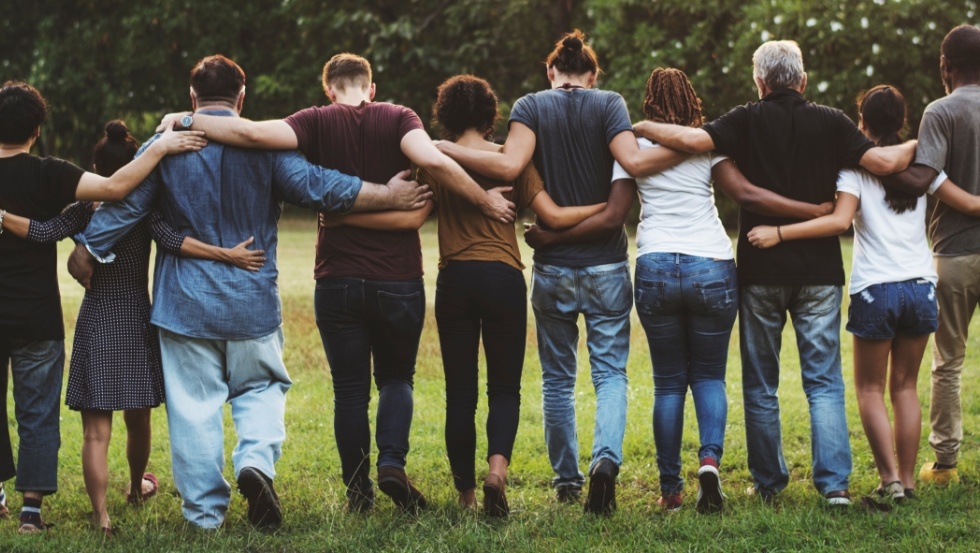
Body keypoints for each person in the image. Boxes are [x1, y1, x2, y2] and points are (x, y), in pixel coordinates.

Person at [68, 54, 429, 530]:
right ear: (242, 98)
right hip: (252, 298)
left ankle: (204, 513)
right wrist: (388, 193)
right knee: (261, 388)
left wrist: (89, 248)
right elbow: (319, 186)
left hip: (185, 304)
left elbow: (126, 202)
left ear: (192, 98)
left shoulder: (167, 144)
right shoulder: (268, 146)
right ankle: (255, 464)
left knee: (194, 408)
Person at [161, 53, 514, 514]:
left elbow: (247, 132)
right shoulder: (399, 117)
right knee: (396, 379)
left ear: (329, 89)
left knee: (349, 390)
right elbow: (436, 163)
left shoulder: (313, 121)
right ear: (372, 87)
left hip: (337, 278)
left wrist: (186, 118)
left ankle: (357, 493)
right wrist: (485, 200)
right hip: (398, 278)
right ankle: (392, 463)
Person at [633, 40, 915, 506]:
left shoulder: (744, 118)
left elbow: (692, 141)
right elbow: (884, 163)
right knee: (823, 380)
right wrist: (933, 137)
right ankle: (835, 487)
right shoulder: (833, 121)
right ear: (802, 80)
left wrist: (639, 124)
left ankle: (769, 484)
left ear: (759, 82)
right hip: (821, 272)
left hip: (761, 268)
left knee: (762, 381)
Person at [436, 30, 690, 515]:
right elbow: (632, 164)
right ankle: (606, 460)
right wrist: (695, 144)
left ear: (551, 72)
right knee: (611, 373)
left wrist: (440, 149)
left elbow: (509, 163)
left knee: (556, 379)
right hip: (607, 264)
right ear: (592, 74)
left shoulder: (530, 106)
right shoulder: (611, 103)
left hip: (551, 268)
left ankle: (567, 481)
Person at [1, 119, 264, 534]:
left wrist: (2, 216)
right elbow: (177, 241)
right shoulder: (145, 212)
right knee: (138, 418)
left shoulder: (83, 210)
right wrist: (225, 254)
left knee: (95, 432)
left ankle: (100, 516)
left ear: (95, 165)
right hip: (137, 320)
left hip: (96, 320)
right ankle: (136, 488)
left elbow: (43, 232)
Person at [624, 67, 840, 514]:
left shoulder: (633, 148)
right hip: (711, 265)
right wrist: (811, 210)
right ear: (691, 100)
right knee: (708, 376)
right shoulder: (710, 145)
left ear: (649, 102)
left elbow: (616, 201)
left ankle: (670, 490)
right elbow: (748, 195)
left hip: (656, 263)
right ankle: (709, 463)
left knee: (668, 384)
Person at [744, 85, 973, 502]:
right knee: (905, 387)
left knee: (870, 389)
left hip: (876, 292)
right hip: (921, 288)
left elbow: (837, 222)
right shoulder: (926, 169)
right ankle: (906, 479)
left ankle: (887, 481)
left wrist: (779, 233)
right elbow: (971, 205)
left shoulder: (854, 171)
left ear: (861, 122)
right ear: (903, 121)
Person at [416, 75, 602, 516]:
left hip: (455, 280)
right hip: (503, 279)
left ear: (444, 116)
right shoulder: (511, 160)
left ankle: (466, 495)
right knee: (505, 388)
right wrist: (609, 207)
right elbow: (553, 216)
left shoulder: (438, 162)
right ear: (490, 115)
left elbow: (412, 206)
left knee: (460, 392)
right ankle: (496, 473)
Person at [880, 24, 980, 485]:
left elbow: (926, 177)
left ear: (946, 66)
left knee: (949, 362)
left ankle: (944, 465)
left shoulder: (941, 111)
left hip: (955, 253)